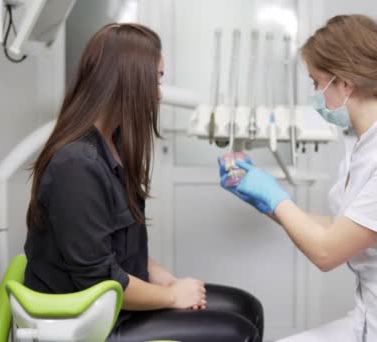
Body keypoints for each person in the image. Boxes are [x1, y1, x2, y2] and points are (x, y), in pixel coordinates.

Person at [24, 23, 262, 342]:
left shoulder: (114, 145)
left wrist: (166, 280)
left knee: (245, 307)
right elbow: (97, 280)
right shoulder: (76, 165)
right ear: (128, 81)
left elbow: (120, 247)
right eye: (156, 79)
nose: (159, 93)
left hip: (116, 303)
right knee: (237, 333)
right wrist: (172, 297)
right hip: (87, 321)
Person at [220, 14, 377, 341]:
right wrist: (262, 200)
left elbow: (327, 252)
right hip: (374, 319)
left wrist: (275, 196)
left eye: (316, 82)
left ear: (344, 83)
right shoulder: (364, 142)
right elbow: (339, 228)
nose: (315, 94)